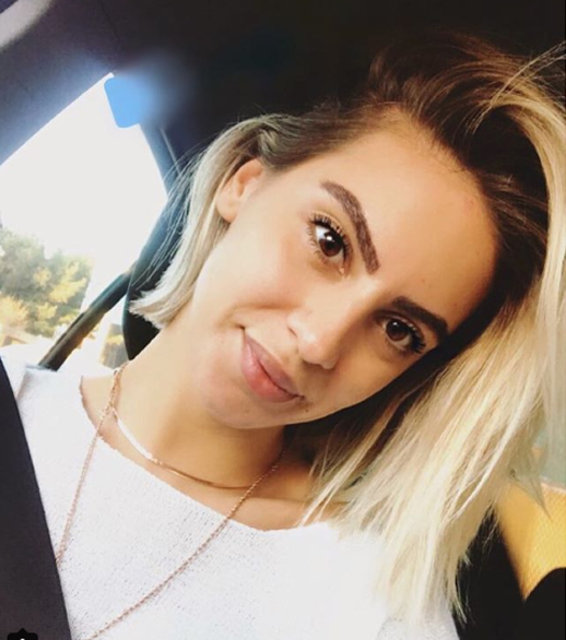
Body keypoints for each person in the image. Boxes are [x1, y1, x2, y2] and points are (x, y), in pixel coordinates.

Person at [2, 31, 564, 640]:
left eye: (399, 330)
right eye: (330, 241)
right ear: (243, 183)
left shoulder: (371, 601)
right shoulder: (16, 404)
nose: (319, 342)